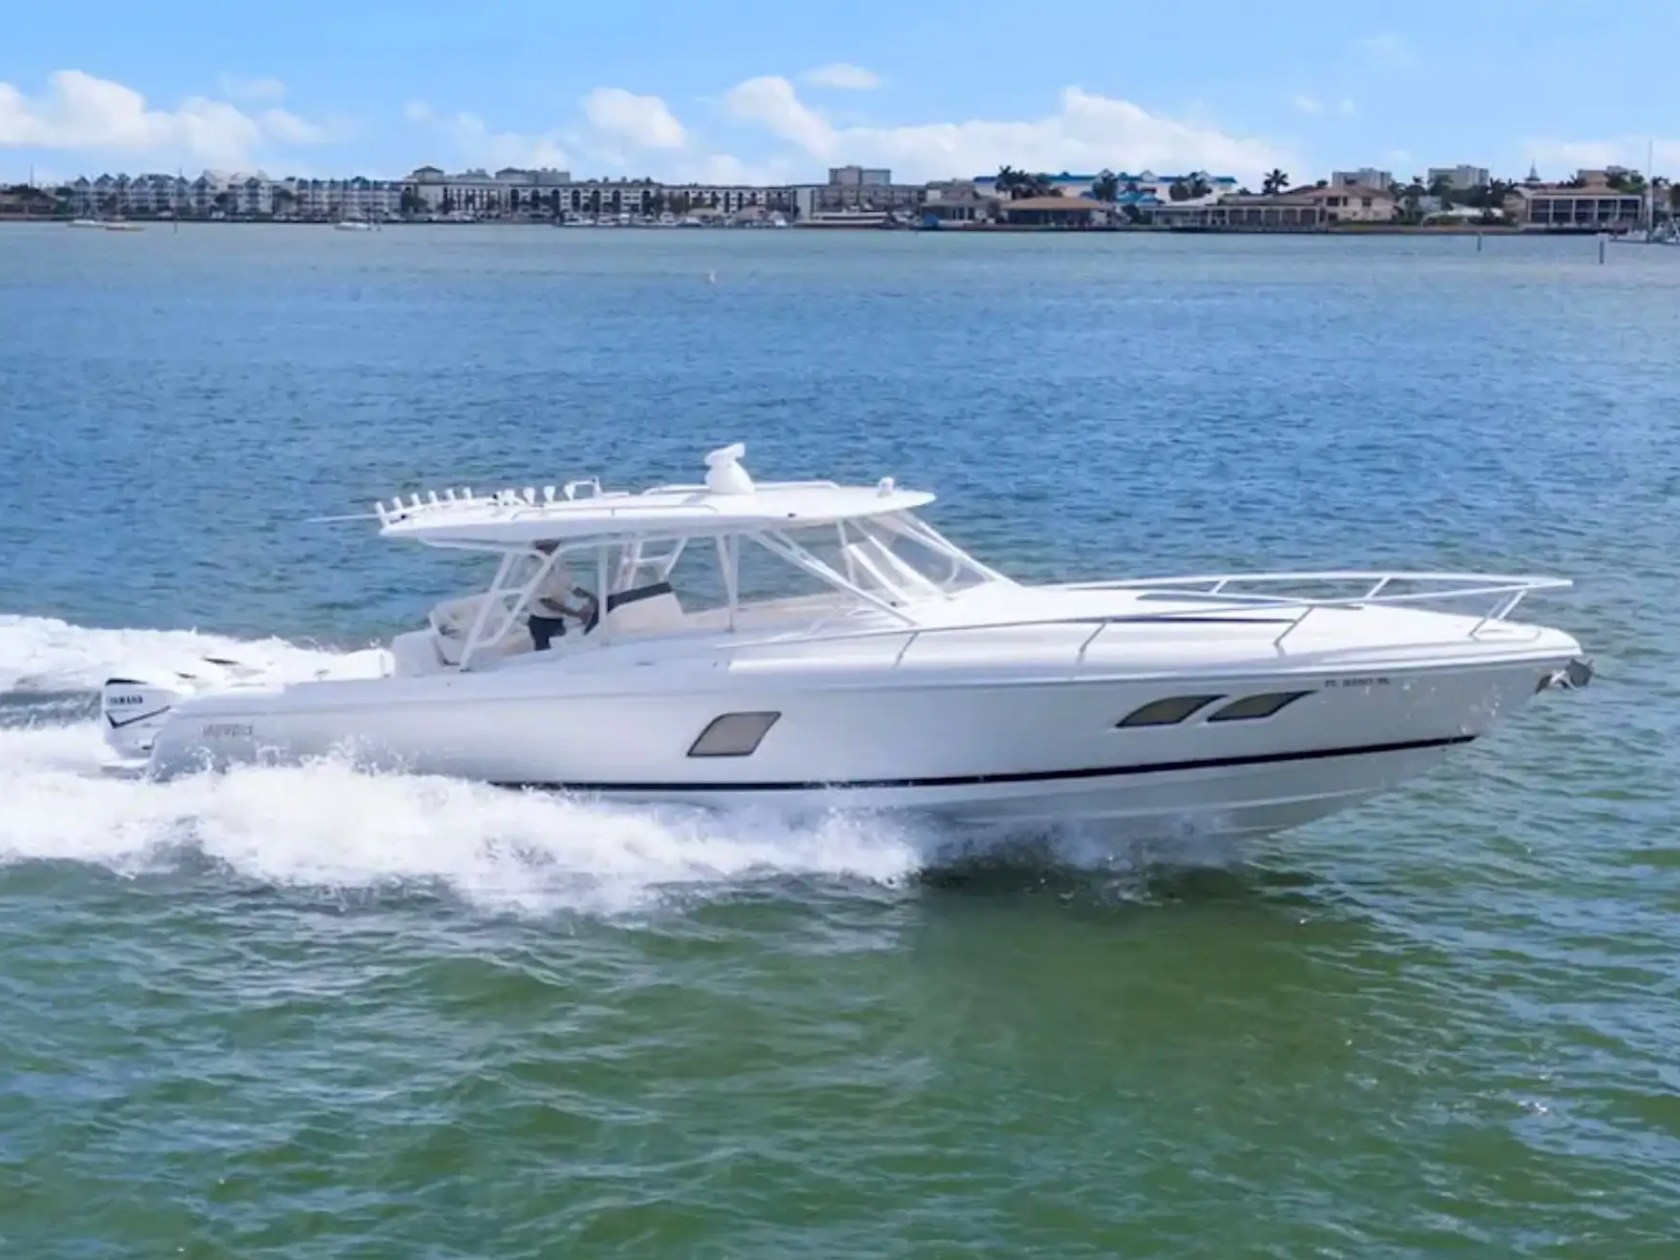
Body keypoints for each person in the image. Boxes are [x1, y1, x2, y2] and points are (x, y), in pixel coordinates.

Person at [526, 544, 599, 650]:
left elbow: (570, 586)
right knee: (544, 656)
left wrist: (590, 597)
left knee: (560, 652)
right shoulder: (534, 569)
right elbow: (546, 601)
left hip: (558, 619)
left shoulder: (558, 563)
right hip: (541, 622)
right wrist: (576, 614)